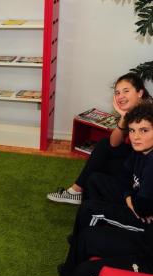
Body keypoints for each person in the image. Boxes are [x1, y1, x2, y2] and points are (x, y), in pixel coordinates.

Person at [43, 102, 153, 276]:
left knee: (87, 267)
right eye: (132, 131)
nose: (135, 137)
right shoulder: (140, 153)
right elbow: (125, 180)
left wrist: (135, 202)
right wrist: (129, 199)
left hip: (147, 243)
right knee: (86, 238)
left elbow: (143, 208)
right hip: (144, 235)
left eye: (144, 131)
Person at [47, 73, 152, 205]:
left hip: (144, 167)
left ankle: (78, 192)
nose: (121, 96)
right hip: (135, 158)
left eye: (126, 91)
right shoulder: (132, 112)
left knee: (102, 162)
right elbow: (113, 143)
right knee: (104, 147)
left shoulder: (148, 114)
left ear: (140, 92)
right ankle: (78, 192)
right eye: (117, 93)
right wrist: (124, 117)